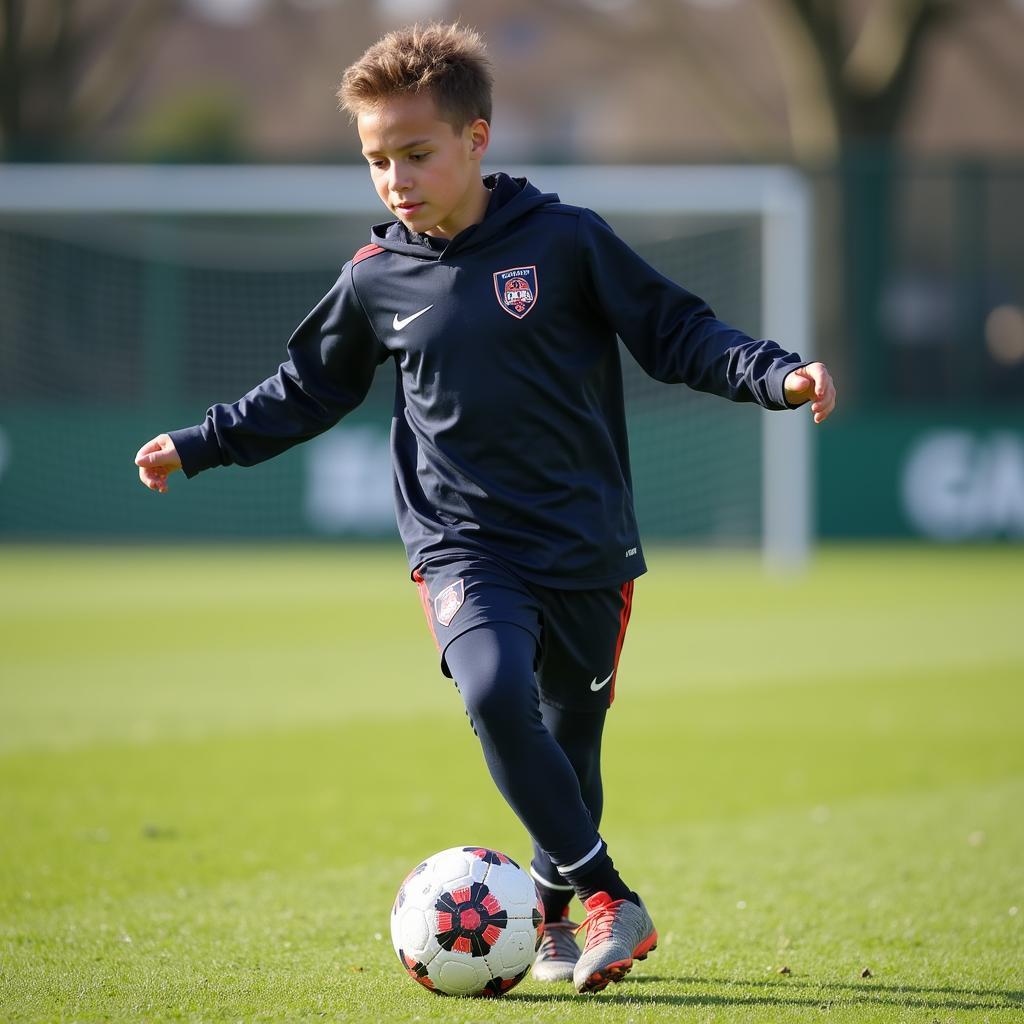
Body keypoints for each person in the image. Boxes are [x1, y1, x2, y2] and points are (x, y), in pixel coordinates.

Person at [134, 21, 836, 994]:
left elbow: (676, 332)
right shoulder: (375, 279)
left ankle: (549, 914)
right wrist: (203, 441)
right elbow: (306, 388)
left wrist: (773, 374)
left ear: (477, 138)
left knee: (568, 751)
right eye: (377, 158)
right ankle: (608, 896)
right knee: (493, 694)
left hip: (587, 547)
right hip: (463, 549)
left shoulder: (567, 240)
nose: (395, 177)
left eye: (415, 152)